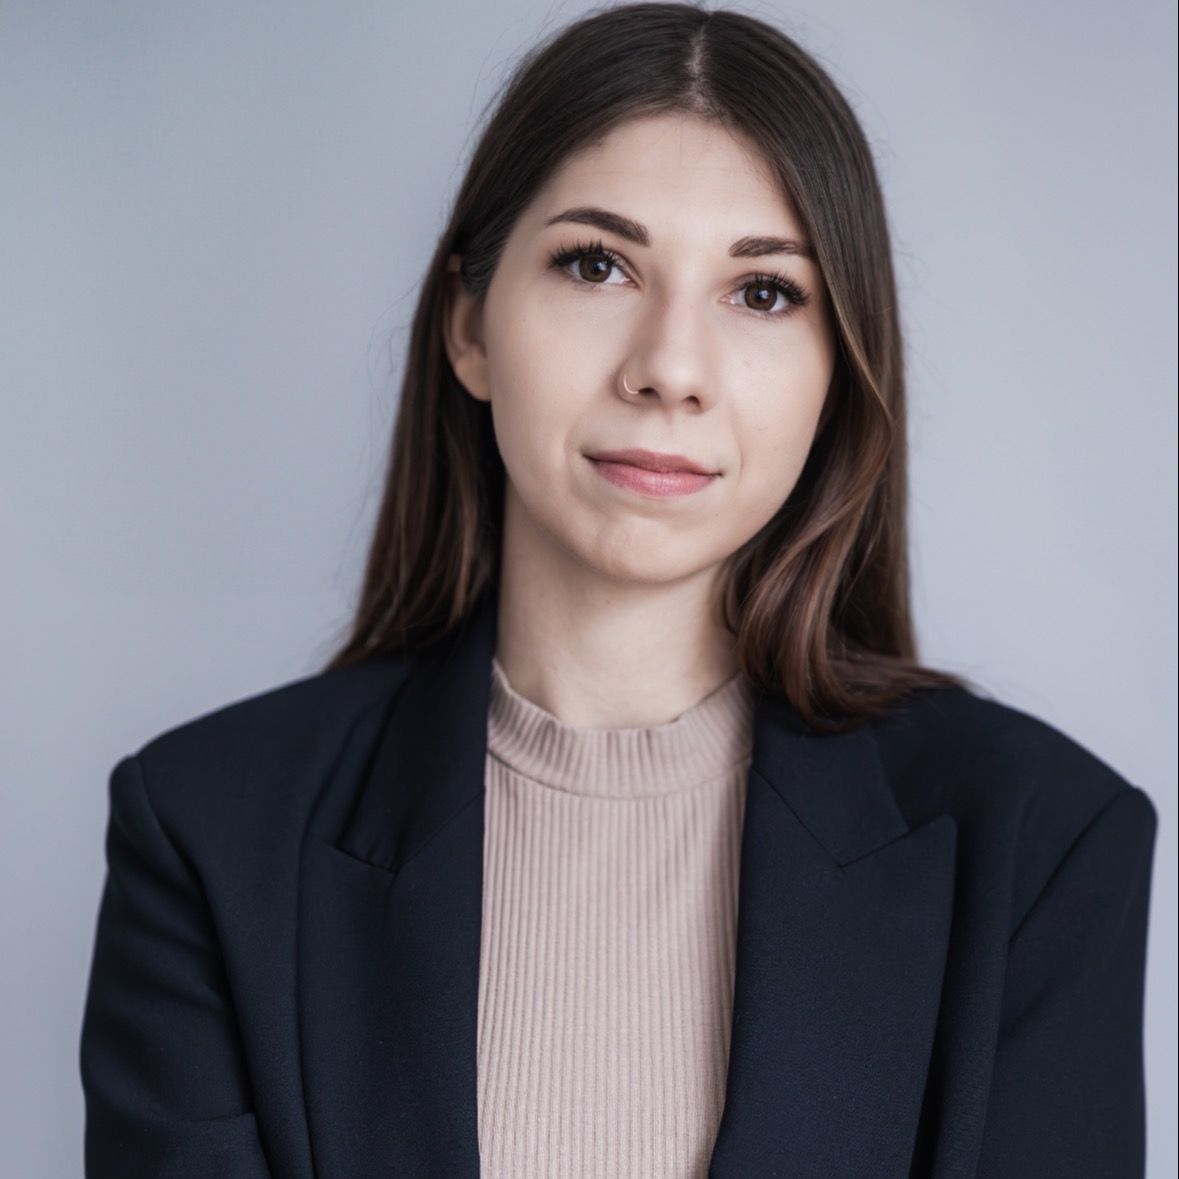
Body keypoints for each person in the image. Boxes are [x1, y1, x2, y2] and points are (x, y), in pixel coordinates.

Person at [78, 4, 1159, 1177]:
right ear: (469, 327)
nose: (670, 370)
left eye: (763, 292)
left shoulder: (1044, 843)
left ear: (838, 374)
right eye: (597, 266)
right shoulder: (207, 834)